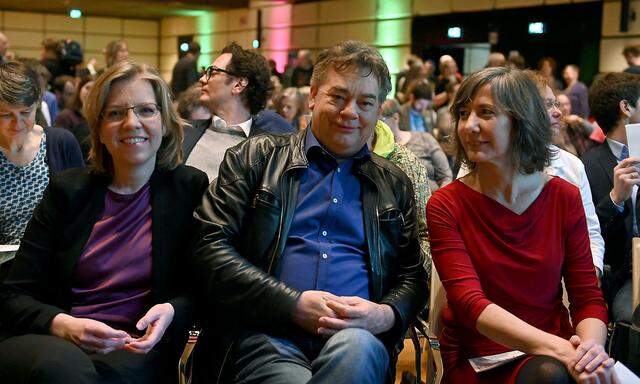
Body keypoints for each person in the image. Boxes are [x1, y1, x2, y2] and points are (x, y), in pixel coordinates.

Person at [192, 40, 428, 383]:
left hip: (357, 340)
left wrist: (385, 315)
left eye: (365, 103)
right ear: (313, 96)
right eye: (338, 97)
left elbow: (413, 277)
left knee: (357, 352)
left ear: (379, 112)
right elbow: (209, 247)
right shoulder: (255, 159)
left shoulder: (394, 184)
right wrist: (292, 304)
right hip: (267, 334)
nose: (351, 112)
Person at [0, 61, 209, 384]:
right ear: (97, 128)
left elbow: (206, 289)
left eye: (146, 110)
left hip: (137, 347)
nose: (131, 123)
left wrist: (172, 310)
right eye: (115, 114)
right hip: (54, 341)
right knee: (64, 368)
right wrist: (64, 324)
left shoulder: (189, 189)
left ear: (166, 122)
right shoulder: (68, 191)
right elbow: (14, 296)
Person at [427, 66, 613, 383]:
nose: (468, 126)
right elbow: (470, 304)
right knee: (549, 375)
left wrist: (590, 351)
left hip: (553, 353)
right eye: (463, 113)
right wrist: (562, 350)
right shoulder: (446, 204)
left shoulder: (562, 196)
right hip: (480, 356)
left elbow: (587, 299)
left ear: (522, 122)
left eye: (485, 113)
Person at [0, 61, 83, 246]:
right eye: (6, 115)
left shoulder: (61, 143)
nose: (18, 123)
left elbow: (82, 211)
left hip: (53, 266)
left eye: (25, 112)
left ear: (37, 104)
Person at [184, 42, 294, 181]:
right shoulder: (184, 131)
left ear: (238, 84)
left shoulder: (269, 151)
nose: (202, 79)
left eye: (212, 72)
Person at [583, 72, 640, 323]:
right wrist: (616, 198)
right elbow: (586, 234)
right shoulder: (588, 165)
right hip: (625, 272)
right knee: (630, 315)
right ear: (626, 108)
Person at [371, 118, 432, 276]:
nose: (350, 112)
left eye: (365, 102)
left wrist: (404, 283)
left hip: (394, 285)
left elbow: (425, 234)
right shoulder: (309, 156)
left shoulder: (405, 162)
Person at [385, 99, 451, 192]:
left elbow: (445, 176)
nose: (376, 124)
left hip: (432, 199)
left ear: (396, 118)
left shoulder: (424, 138)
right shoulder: (375, 150)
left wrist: (438, 201)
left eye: (381, 119)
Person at [55, 76, 95, 160]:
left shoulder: (101, 116)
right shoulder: (66, 116)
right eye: (87, 88)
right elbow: (60, 146)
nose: (90, 92)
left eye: (95, 89)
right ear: (79, 89)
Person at [556, 92, 597, 158]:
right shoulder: (556, 127)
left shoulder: (576, 120)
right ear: (556, 108)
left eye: (567, 104)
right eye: (561, 105)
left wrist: (580, 121)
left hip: (588, 157)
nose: (565, 108)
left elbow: (593, 132)